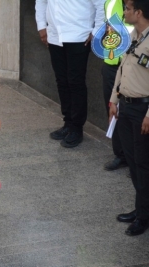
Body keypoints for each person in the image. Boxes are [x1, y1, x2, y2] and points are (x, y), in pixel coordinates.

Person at [35, 0, 105, 148]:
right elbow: (41, 2)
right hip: (54, 36)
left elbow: (101, 4)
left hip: (79, 36)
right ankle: (68, 122)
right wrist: (41, 26)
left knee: (75, 82)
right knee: (62, 81)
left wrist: (96, 31)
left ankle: (77, 128)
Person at [109, 0, 149, 236]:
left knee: (143, 164)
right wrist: (114, 99)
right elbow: (121, 69)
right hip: (126, 106)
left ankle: (144, 217)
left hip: (143, 110)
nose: (124, 12)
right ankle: (141, 208)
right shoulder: (132, 36)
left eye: (127, 9)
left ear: (139, 12)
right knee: (133, 163)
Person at [102, 0, 133, 172]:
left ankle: (136, 160)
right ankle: (120, 155)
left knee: (134, 115)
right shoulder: (111, 1)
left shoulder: (140, 5)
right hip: (111, 63)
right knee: (113, 110)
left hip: (133, 67)